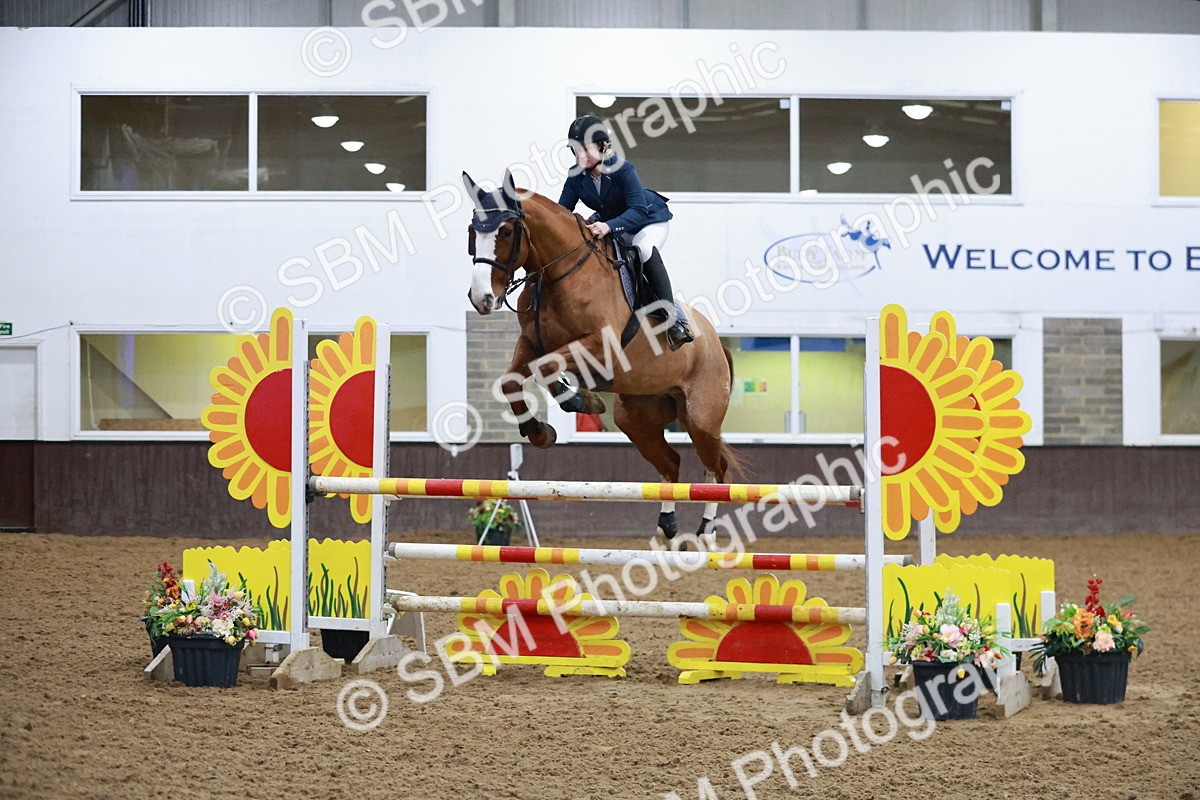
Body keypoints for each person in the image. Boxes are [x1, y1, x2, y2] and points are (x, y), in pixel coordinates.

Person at [558, 114, 693, 351]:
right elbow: (562, 214)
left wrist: (608, 226)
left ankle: (673, 319)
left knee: (642, 250)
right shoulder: (576, 176)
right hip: (614, 224)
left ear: (602, 146)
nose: (580, 156)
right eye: (575, 150)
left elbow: (638, 211)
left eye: (585, 149)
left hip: (648, 221)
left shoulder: (624, 169)